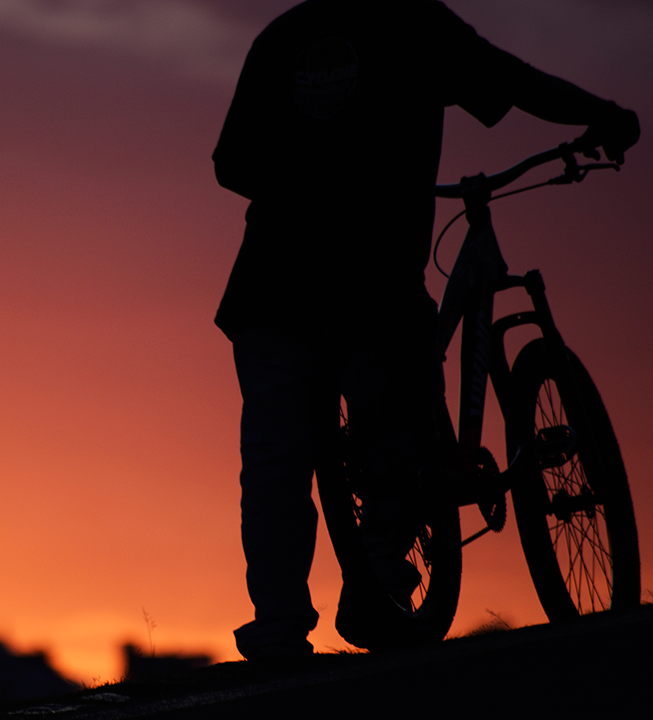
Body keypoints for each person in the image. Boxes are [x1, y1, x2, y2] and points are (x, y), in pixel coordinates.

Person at [213, 0, 639, 661]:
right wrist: (603, 114)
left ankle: (277, 627)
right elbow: (513, 80)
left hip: (273, 278)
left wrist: (308, 177)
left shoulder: (282, 37)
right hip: (371, 277)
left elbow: (231, 164)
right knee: (397, 431)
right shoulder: (412, 22)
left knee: (275, 457)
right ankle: (381, 584)